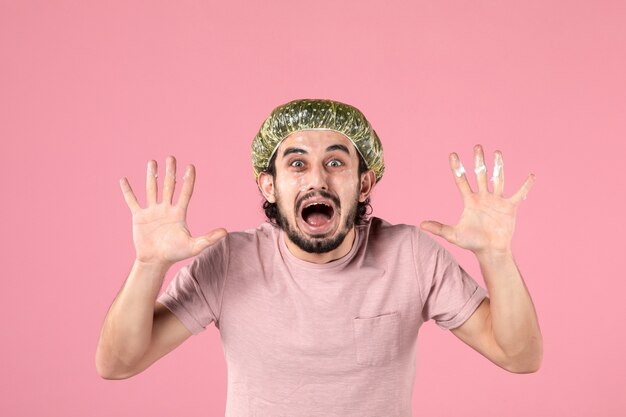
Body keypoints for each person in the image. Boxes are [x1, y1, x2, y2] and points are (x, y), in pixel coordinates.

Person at [96, 99, 542, 416]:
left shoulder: (411, 256)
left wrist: (496, 256)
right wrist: (149, 265)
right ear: (269, 186)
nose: (317, 179)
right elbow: (118, 364)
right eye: (296, 164)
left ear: (363, 184)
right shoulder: (229, 260)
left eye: (335, 163)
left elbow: (519, 356)